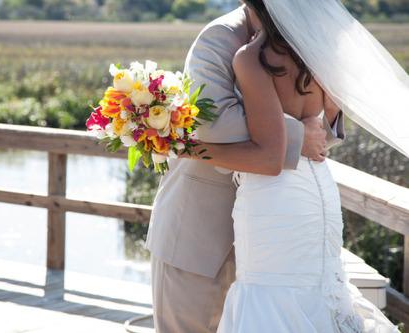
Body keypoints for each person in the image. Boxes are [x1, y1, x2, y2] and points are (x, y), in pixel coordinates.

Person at [183, 0, 408, 331]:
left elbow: (270, 158)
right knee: (317, 287)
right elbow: (330, 116)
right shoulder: (319, 52)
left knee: (271, 294)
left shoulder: (251, 58)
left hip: (275, 199)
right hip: (318, 185)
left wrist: (187, 147)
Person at [145, 3, 345, 332]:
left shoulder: (300, 40)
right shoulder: (220, 38)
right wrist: (298, 136)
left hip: (274, 235)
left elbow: (321, 128)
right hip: (202, 237)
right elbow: (214, 124)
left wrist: (316, 131)